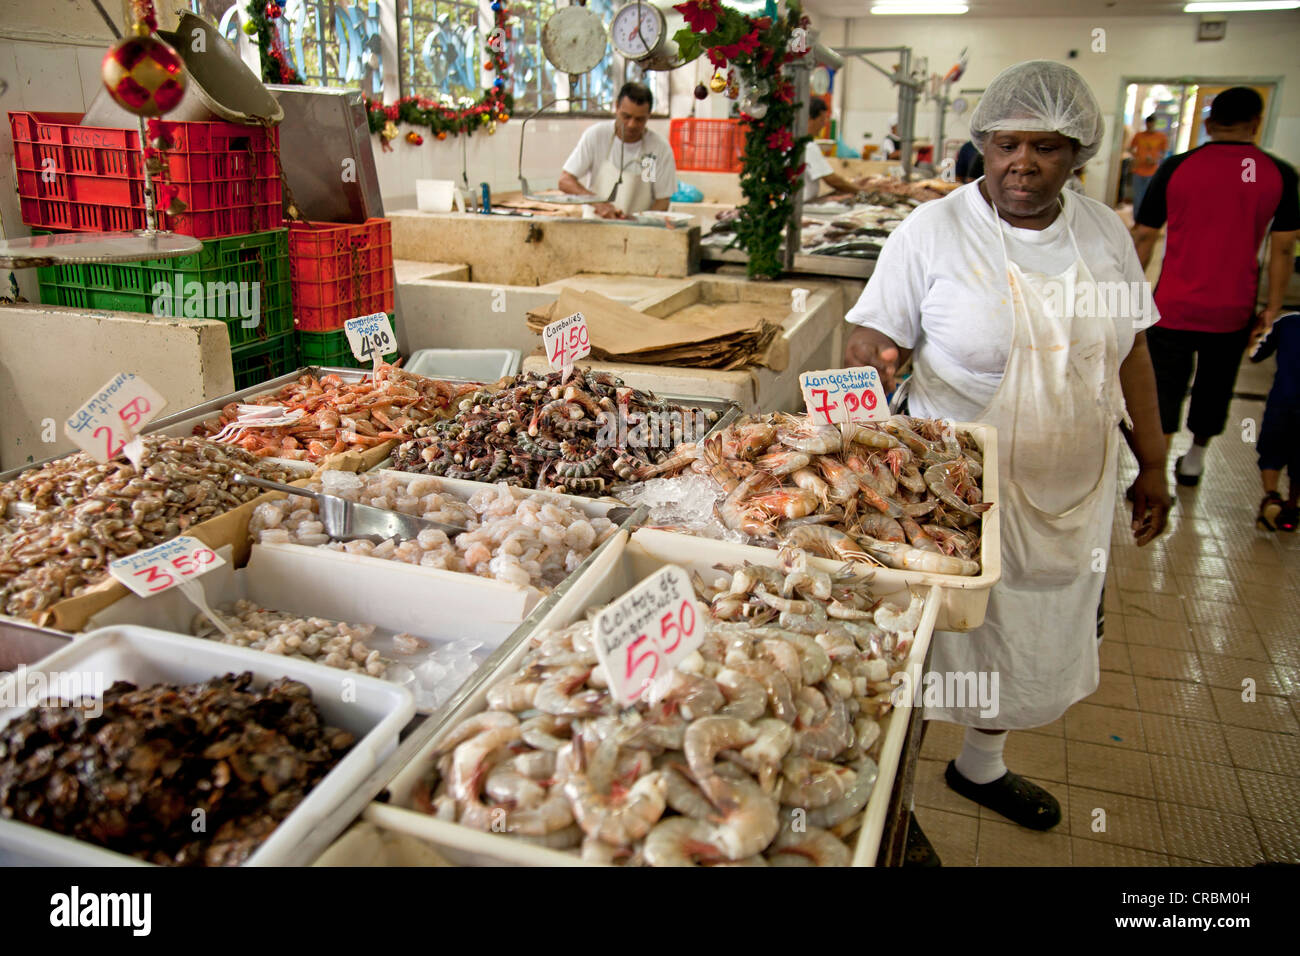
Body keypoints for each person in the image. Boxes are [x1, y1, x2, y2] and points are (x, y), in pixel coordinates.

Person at [843, 60, 1170, 830]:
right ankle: (890, 795)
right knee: (934, 644)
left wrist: (1153, 462)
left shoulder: (1102, 234)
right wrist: (872, 352)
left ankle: (980, 766)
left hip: (1072, 489)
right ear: (982, 147)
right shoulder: (935, 231)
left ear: (1077, 153)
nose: (1024, 162)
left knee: (1035, 636)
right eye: (1006, 144)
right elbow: (871, 329)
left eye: (1047, 147)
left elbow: (1132, 354)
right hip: (956, 491)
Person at [1132, 87, 1300, 487]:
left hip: (1172, 305)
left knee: (1164, 387)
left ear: (1208, 124)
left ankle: (1153, 468)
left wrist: (1128, 296)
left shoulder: (1176, 168)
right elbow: (1282, 249)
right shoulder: (1278, 173)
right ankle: (1194, 459)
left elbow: (1143, 236)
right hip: (1232, 309)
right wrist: (1272, 309)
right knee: (1216, 386)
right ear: (1256, 124)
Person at [559, 82, 677, 220]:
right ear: (616, 107)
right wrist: (597, 202)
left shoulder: (656, 149)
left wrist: (640, 221)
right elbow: (565, 181)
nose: (631, 124)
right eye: (626, 116)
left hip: (638, 232)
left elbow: (662, 200)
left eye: (639, 119)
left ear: (649, 115)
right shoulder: (597, 136)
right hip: (595, 227)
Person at [1252, 311, 1300, 531]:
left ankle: (1271, 497)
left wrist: (1255, 332)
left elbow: (1255, 354)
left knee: (1271, 452)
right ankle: (1292, 505)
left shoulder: (1288, 323)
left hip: (1282, 403)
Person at [802, 99, 862, 202]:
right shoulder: (808, 146)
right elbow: (832, 180)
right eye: (822, 120)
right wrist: (861, 191)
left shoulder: (800, 141)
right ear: (810, 119)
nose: (823, 125)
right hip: (803, 205)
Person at [1128, 114, 1167, 215]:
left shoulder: (1161, 137)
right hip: (1138, 170)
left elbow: (1163, 152)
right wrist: (1136, 157)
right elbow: (1131, 148)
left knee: (1148, 196)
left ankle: (1144, 219)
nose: (1150, 126)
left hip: (1152, 171)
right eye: (1148, 124)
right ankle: (1137, 219)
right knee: (1137, 197)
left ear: (1154, 124)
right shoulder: (1139, 135)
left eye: (1152, 124)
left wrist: (1156, 160)